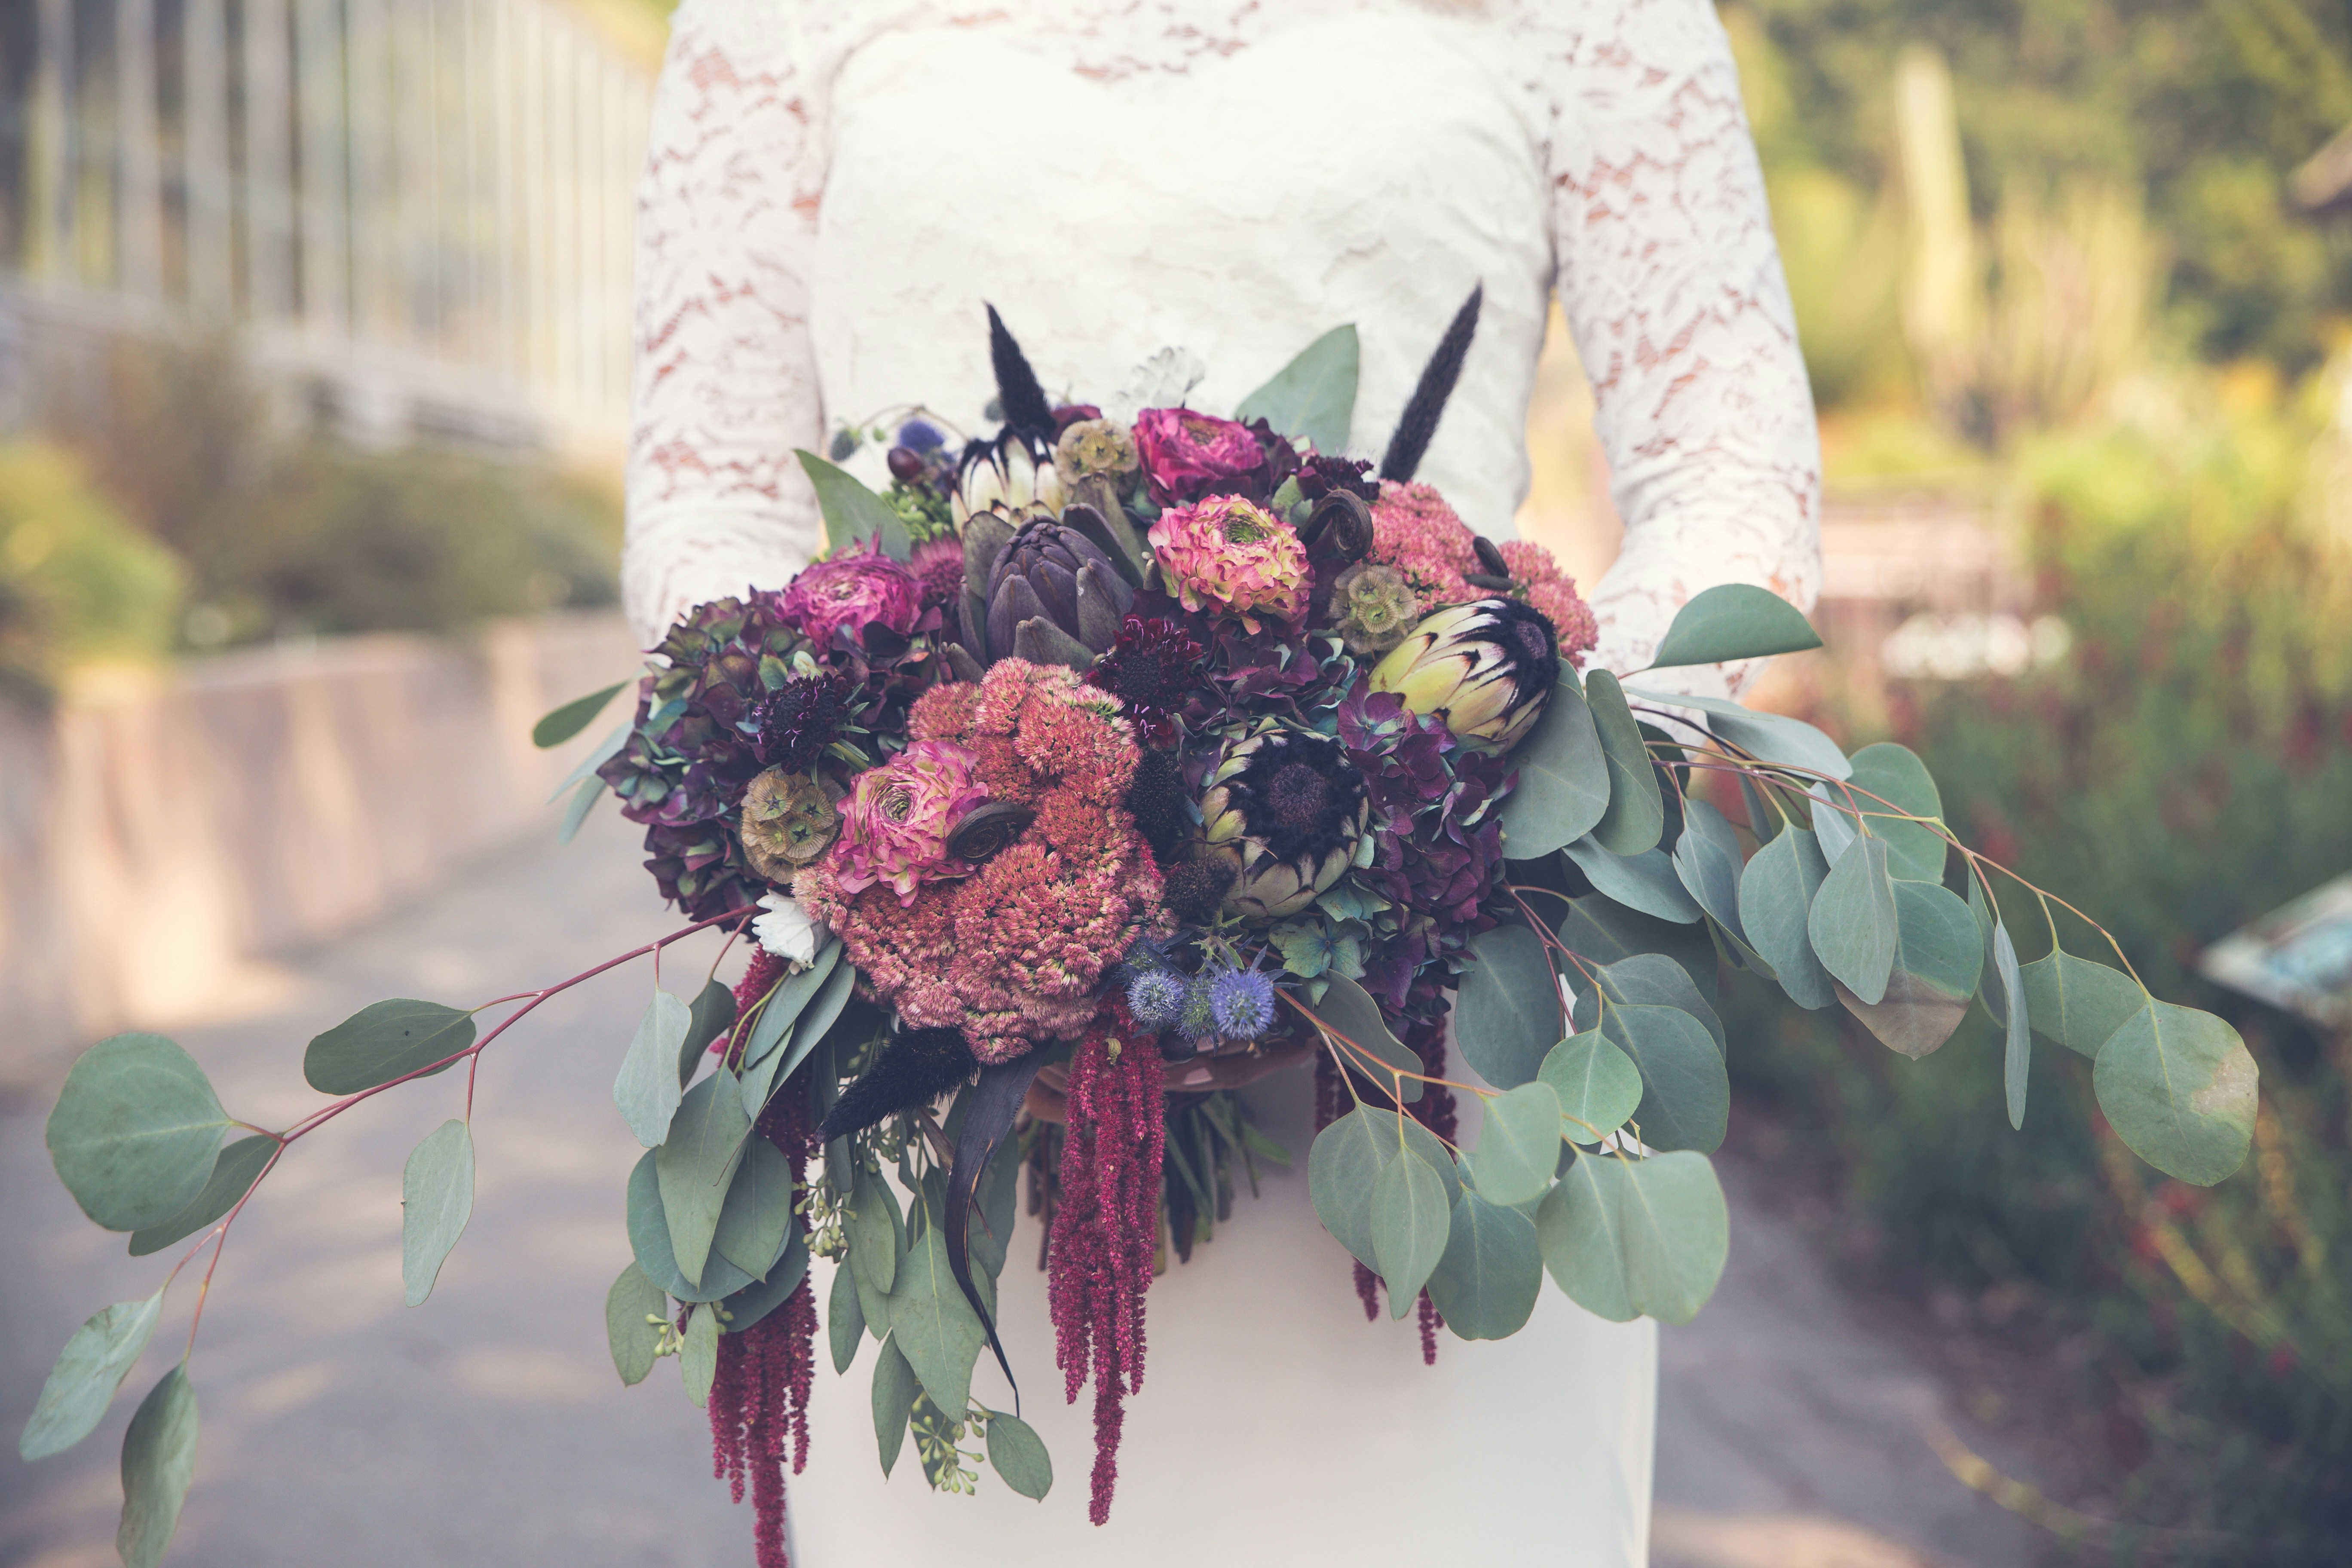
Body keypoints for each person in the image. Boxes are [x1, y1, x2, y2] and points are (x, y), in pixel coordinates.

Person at [622, 2, 1820, 1562]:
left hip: (1431, 1039)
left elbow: (1736, 473)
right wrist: (890, 832)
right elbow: (704, 495)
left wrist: (1485, 789)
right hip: (941, 1028)